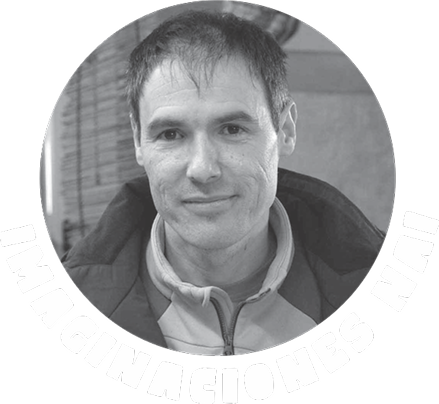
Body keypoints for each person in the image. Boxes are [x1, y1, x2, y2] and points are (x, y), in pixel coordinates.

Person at [62, 10, 384, 356]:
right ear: (138, 140)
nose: (202, 169)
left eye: (232, 129)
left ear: (285, 130)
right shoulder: (67, 308)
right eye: (171, 134)